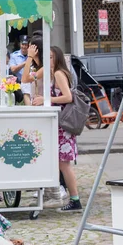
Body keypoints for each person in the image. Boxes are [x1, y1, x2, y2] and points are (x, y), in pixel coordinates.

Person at [31, 46, 82, 212]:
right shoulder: (55, 73)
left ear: (57, 58)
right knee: (62, 164)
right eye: (47, 57)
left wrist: (47, 99)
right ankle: (67, 196)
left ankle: (75, 200)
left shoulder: (59, 74)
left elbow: (68, 97)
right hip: (59, 124)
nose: (49, 60)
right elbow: (29, 78)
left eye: (51, 57)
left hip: (63, 125)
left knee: (64, 164)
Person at [21, 36, 44, 105]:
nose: (28, 49)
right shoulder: (35, 67)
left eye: (30, 47)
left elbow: (24, 79)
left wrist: (30, 57)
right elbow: (24, 80)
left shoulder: (45, 68)